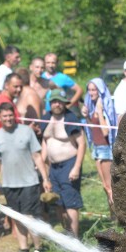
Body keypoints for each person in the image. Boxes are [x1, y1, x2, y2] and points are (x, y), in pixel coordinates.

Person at [0, 103, 51, 252]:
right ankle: (24, 249)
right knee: (16, 218)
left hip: (29, 182)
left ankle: (38, 249)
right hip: (9, 184)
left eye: (10, 115)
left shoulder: (27, 131)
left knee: (30, 217)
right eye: (5, 116)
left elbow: (37, 156)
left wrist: (45, 179)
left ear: (14, 115)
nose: (8, 118)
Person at [41, 90, 85, 237]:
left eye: (60, 101)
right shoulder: (46, 118)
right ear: (50, 103)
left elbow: (82, 143)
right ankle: (66, 234)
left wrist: (76, 167)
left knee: (70, 201)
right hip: (53, 167)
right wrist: (43, 164)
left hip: (69, 164)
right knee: (58, 201)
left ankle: (75, 240)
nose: (57, 104)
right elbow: (45, 141)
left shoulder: (70, 118)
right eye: (54, 101)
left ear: (65, 103)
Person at [82, 78, 117, 208]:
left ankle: (117, 215)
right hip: (97, 148)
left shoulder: (104, 106)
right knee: (105, 186)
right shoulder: (92, 105)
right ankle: (112, 214)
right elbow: (92, 128)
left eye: (94, 90)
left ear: (99, 90)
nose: (91, 93)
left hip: (106, 149)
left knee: (110, 186)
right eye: (89, 90)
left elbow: (105, 132)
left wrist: (100, 113)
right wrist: (86, 116)